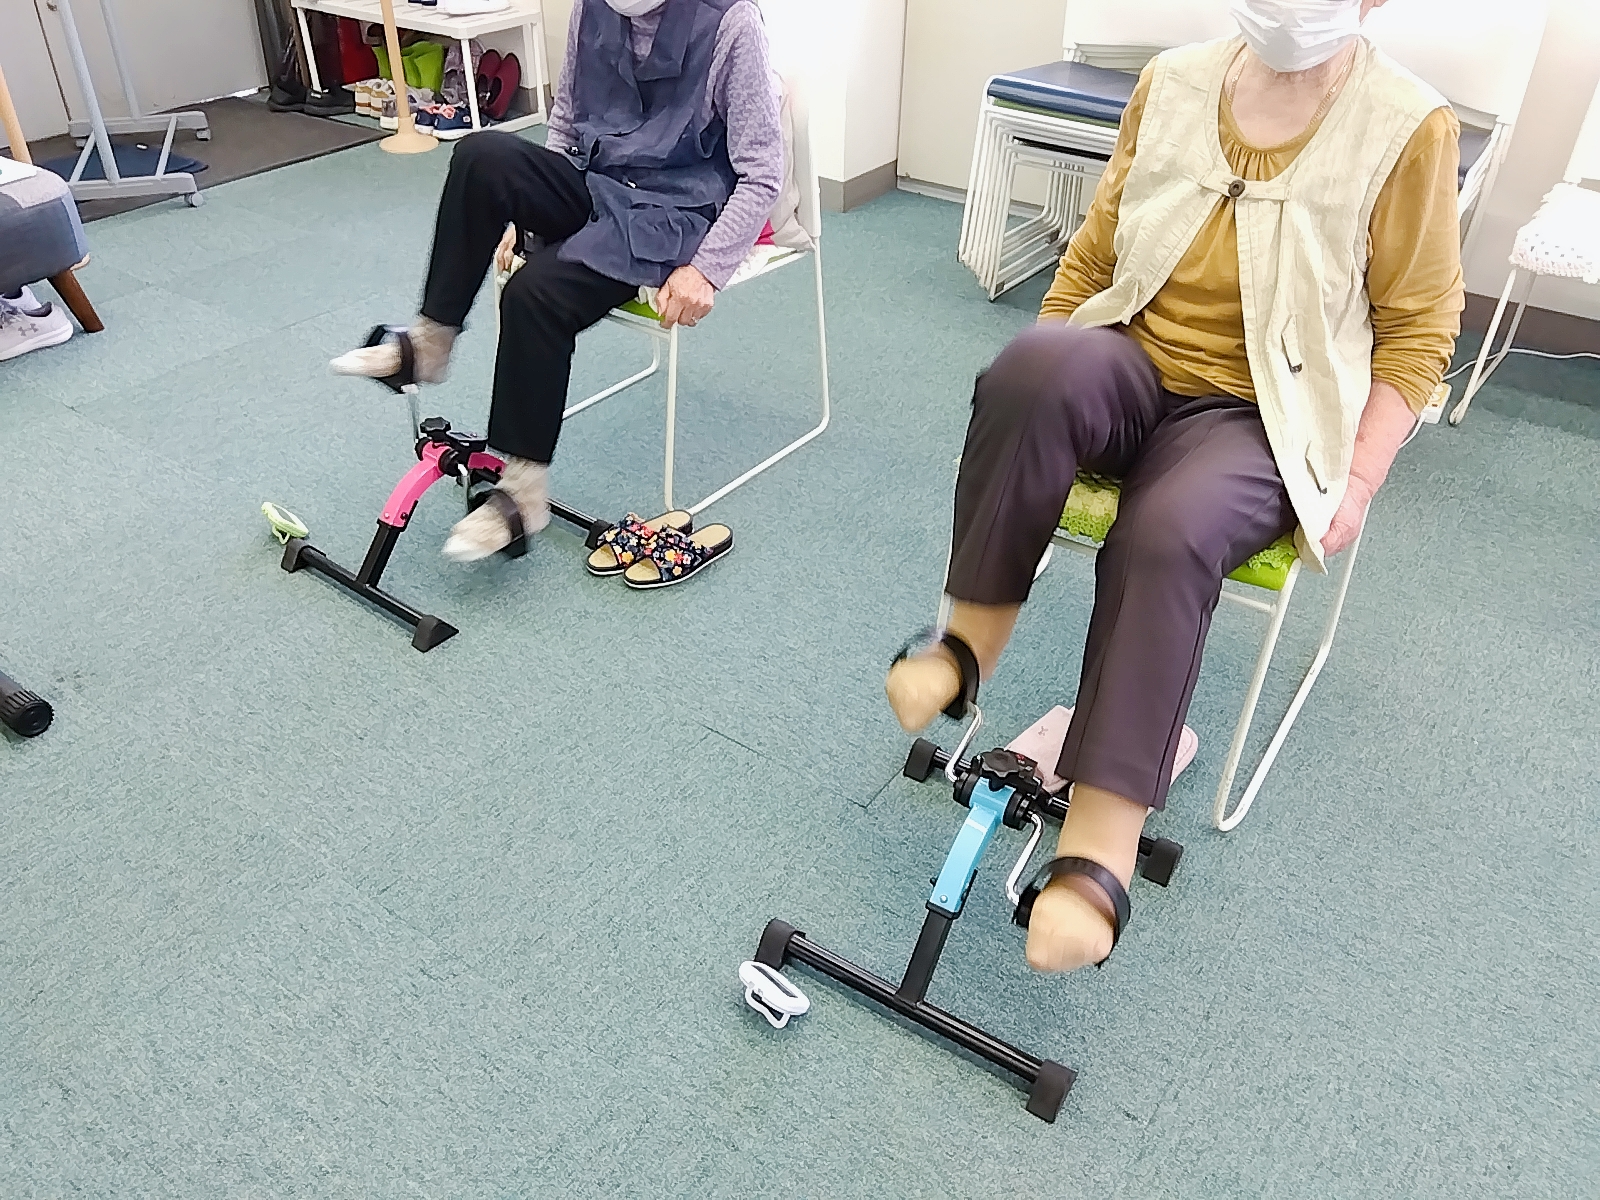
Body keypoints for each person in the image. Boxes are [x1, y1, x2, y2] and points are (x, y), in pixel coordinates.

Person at [887, 0, 1462, 973]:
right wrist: (1045, 371)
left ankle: (1098, 847)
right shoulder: (1174, 81)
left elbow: (1418, 327)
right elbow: (1096, 253)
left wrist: (1359, 476)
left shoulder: (1408, 126)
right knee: (1028, 370)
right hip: (1133, 362)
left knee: (1167, 529)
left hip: (1263, 414)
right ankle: (965, 651)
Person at [332, 0, 783, 560]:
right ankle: (429, 343)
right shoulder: (592, 8)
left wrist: (707, 269)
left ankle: (522, 495)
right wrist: (529, 212)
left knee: (534, 294)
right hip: (596, 182)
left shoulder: (732, 22)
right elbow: (567, 123)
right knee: (481, 155)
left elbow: (763, 172)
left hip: (669, 212)